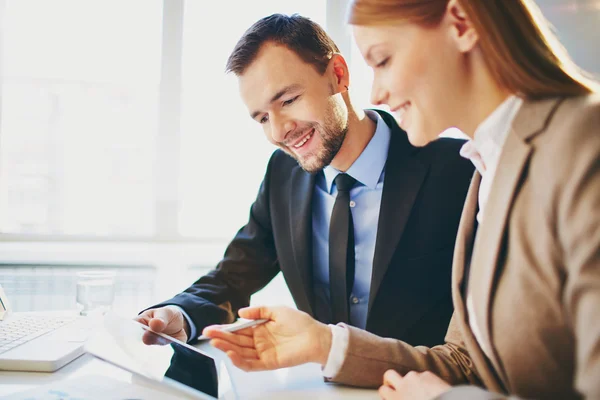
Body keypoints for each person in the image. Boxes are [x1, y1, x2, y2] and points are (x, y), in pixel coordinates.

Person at [202, 1, 600, 399]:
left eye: (384, 59)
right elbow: (467, 361)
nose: (376, 92)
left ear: (460, 24)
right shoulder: (486, 169)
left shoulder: (583, 142)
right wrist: (325, 344)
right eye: (261, 118)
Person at [135, 14, 474, 353]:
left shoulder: (459, 170)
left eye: (288, 101)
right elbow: (233, 277)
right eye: (263, 118)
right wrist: (178, 312)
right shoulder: (283, 175)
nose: (279, 130)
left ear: (338, 75)